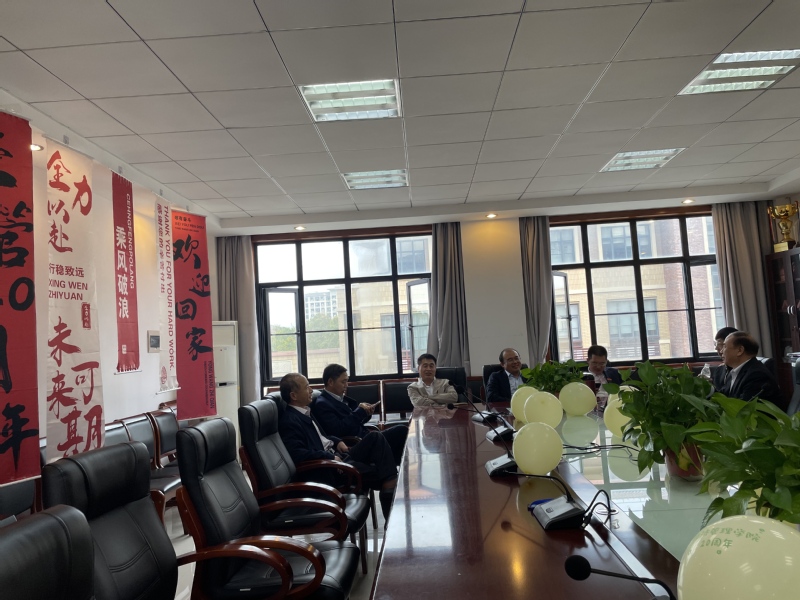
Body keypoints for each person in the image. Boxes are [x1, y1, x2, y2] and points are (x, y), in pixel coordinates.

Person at [278, 373, 398, 519]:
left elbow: (321, 437)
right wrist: (329, 457)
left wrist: (336, 441)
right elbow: (297, 454)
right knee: (386, 472)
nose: (311, 390)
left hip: (339, 457)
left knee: (377, 439)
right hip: (330, 470)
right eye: (307, 387)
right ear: (294, 395)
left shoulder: (305, 411)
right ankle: (390, 495)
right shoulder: (290, 421)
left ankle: (390, 487)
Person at [313, 363, 408, 465]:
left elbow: (354, 421)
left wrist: (366, 413)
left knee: (400, 432)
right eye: (343, 382)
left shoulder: (339, 398)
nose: (346, 385)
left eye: (347, 381)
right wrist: (359, 412)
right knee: (398, 432)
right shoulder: (322, 404)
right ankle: (395, 469)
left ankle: (396, 468)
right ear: (331, 382)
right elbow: (338, 430)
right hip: (355, 444)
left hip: (365, 438)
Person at [718, 332, 782, 405]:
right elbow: (722, 397)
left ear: (740, 350)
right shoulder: (733, 372)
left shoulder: (757, 375)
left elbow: (744, 407)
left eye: (725, 346)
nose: (721, 351)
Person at [711, 326, 738, 392]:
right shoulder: (720, 369)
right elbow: (719, 391)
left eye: (719, 344)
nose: (716, 348)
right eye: (715, 344)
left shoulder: (741, 371)